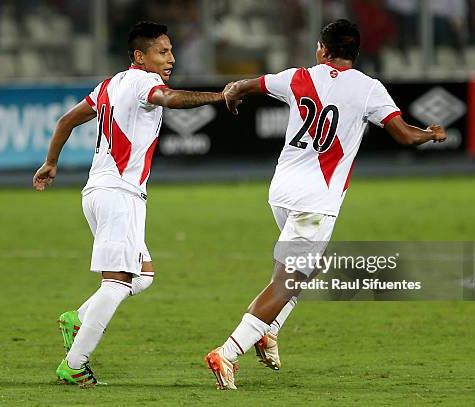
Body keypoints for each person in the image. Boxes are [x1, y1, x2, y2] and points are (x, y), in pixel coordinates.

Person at [204, 19, 447, 390]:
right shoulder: (368, 88)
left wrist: (233, 93)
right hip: (316, 201)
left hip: (282, 193)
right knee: (287, 282)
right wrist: (430, 134)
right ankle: (229, 352)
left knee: (309, 268)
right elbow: (403, 135)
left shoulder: (297, 77)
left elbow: (245, 86)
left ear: (322, 48)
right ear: (356, 52)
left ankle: (268, 332)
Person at [33, 21, 230, 387]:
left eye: (171, 51)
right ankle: (74, 364)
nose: (171, 58)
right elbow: (169, 99)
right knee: (119, 282)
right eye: (162, 52)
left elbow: (66, 120)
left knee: (144, 275)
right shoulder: (144, 82)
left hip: (100, 192)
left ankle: (77, 318)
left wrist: (51, 162)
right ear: (140, 57)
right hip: (118, 194)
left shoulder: (109, 85)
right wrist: (220, 96)